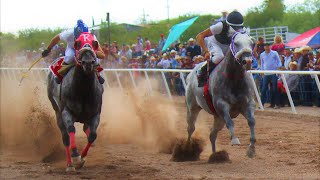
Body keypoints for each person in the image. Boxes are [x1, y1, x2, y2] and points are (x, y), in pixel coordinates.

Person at [42, 19, 105, 84]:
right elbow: (56, 39)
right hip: (72, 49)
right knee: (70, 57)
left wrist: (94, 53)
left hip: (86, 52)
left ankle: (98, 74)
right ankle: (61, 74)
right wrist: (48, 49)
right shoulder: (68, 33)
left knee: (95, 59)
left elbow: (101, 53)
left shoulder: (92, 37)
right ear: (74, 33)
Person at [196, 11, 245, 87]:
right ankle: (202, 70)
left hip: (227, 44)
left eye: (238, 27)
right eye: (235, 27)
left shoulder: (243, 30)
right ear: (229, 24)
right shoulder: (220, 26)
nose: (237, 30)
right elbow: (200, 36)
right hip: (214, 42)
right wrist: (206, 51)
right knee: (219, 56)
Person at [260, 43, 282, 109]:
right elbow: (262, 64)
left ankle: (277, 104)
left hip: (273, 73)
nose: (267, 47)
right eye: (266, 46)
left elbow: (279, 62)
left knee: (274, 89)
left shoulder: (274, 53)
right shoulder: (262, 54)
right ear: (264, 47)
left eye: (268, 46)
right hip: (266, 74)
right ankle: (262, 104)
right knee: (264, 89)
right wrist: (262, 71)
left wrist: (278, 67)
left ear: (270, 46)